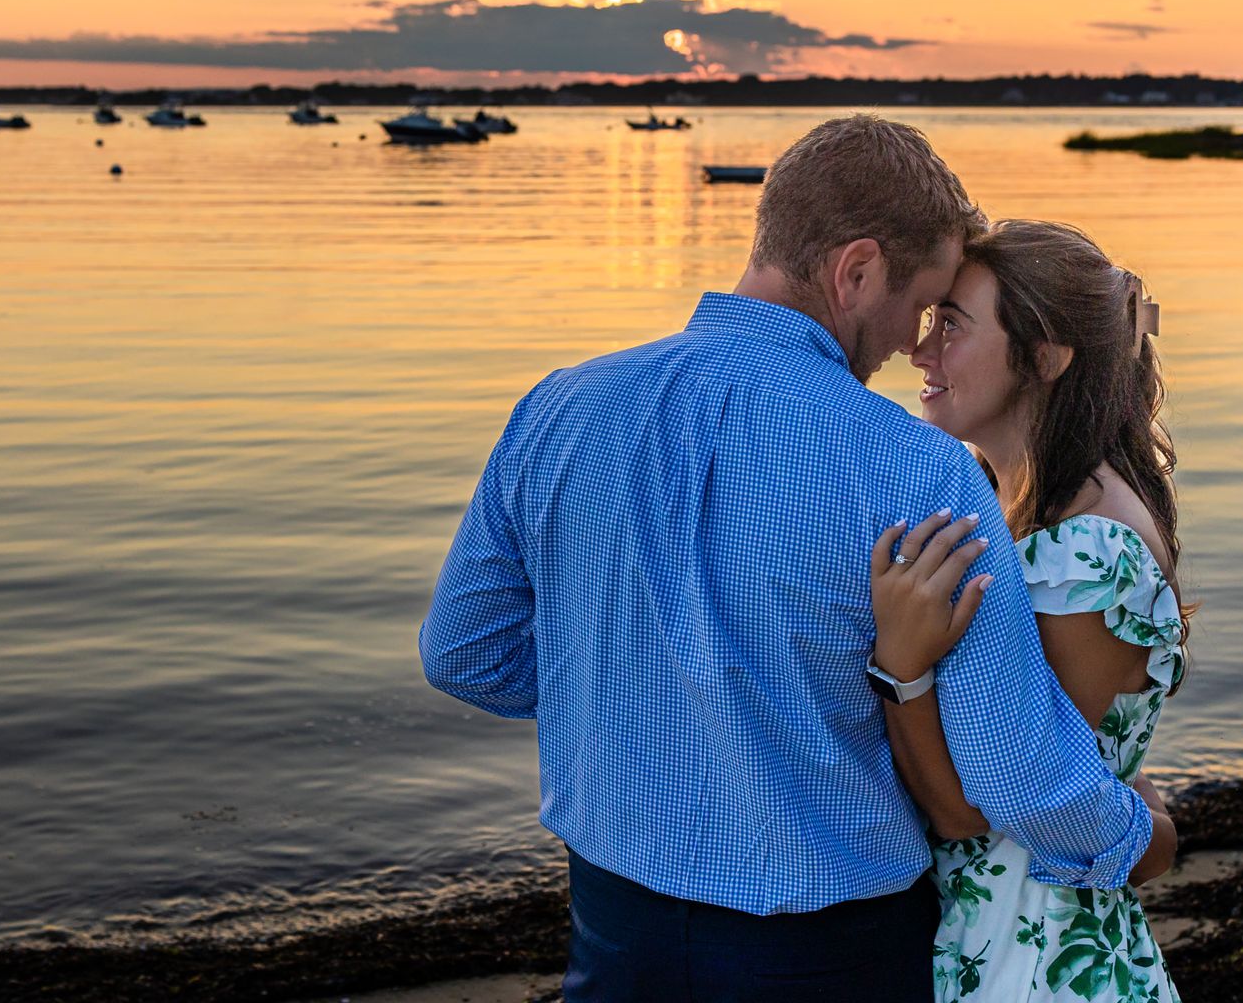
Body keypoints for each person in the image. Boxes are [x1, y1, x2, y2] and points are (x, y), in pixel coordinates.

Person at [419, 115, 1162, 1002]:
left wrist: (635, 692)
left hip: (616, 925)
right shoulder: (916, 471)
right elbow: (1016, 773)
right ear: (856, 270)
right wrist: (1141, 833)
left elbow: (463, 655)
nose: (907, 345)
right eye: (915, 304)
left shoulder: (561, 407)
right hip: (830, 952)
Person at [869, 219, 1188, 1001]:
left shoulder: (1081, 559)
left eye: (953, 325)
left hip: (1036, 958)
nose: (919, 350)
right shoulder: (1032, 509)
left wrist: (901, 666)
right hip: (1018, 929)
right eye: (930, 319)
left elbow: (970, 809)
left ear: (1045, 358)